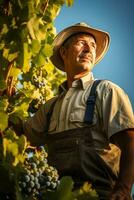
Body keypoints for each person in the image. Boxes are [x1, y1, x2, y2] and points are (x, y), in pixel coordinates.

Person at [23, 23, 134, 199]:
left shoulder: (105, 90)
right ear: (64, 52)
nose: (89, 49)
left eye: (93, 45)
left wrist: (123, 188)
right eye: (82, 42)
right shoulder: (49, 107)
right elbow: (21, 136)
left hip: (100, 195)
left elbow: (130, 144)